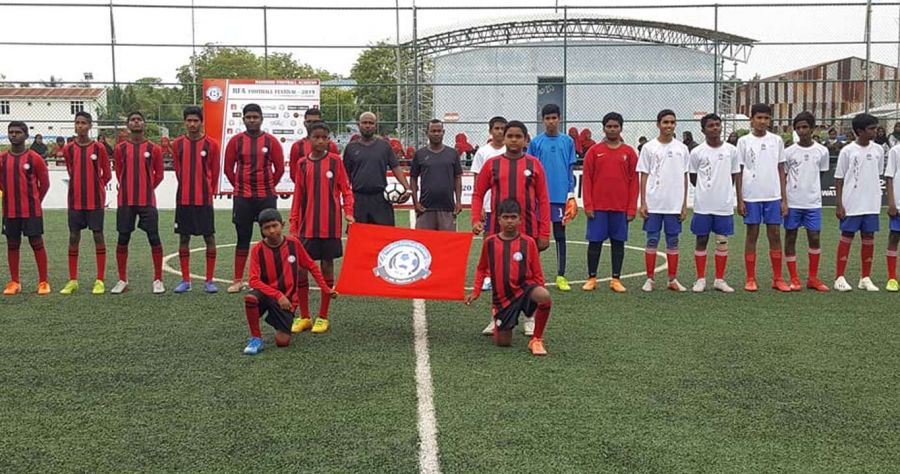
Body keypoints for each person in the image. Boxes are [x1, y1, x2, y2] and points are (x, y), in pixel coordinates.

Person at [471, 120, 551, 338]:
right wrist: (475, 219)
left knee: (529, 275)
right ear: (503, 138)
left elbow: (544, 199)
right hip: (497, 232)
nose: (514, 140)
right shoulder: (492, 164)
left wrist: (544, 232)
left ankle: (530, 318)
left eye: (518, 136)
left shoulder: (534, 164)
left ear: (526, 140)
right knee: (498, 275)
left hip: (528, 231)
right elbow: (478, 194)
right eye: (510, 136)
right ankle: (496, 314)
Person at [288, 122, 354, 334]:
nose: (320, 141)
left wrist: (348, 212)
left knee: (327, 266)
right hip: (307, 227)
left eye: (324, 137)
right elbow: (298, 196)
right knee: (301, 269)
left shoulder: (335, 162)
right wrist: (293, 223)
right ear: (308, 139)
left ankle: (323, 316)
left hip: (330, 226)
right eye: (316, 137)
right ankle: (305, 316)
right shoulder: (301, 164)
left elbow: (346, 190)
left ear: (328, 139)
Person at [242, 208, 336, 356]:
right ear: (261, 230)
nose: (272, 231)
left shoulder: (293, 244)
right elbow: (253, 280)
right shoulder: (257, 250)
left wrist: (326, 288)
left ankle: (279, 321)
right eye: (267, 228)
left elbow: (311, 265)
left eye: (275, 226)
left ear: (282, 225)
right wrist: (277, 295)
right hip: (269, 295)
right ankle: (256, 338)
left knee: (282, 342)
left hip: (288, 301)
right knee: (251, 298)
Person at [466, 199, 551, 357]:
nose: (509, 221)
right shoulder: (490, 242)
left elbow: (537, 272)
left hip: (524, 290)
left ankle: (537, 339)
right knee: (503, 343)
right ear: (498, 220)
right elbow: (481, 268)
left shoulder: (528, 242)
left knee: (544, 296)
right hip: (503, 299)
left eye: (513, 217)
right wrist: (476, 292)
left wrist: (541, 286)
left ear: (520, 219)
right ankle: (499, 318)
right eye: (505, 217)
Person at [223, 103, 285, 294]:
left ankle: (271, 279)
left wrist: (267, 187)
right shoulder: (236, 141)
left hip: (266, 197)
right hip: (243, 197)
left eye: (255, 117)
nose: (252, 120)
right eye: (248, 117)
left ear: (261, 119)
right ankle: (237, 280)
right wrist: (240, 188)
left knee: (271, 237)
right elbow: (228, 168)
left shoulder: (271, 141)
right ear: (243, 119)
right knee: (243, 237)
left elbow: (279, 168)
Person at [581, 112, 638, 293]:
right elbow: (587, 180)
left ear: (621, 128)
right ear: (603, 127)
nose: (612, 129)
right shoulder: (594, 151)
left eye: (615, 126)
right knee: (595, 243)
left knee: (618, 243)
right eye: (609, 126)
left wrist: (631, 208)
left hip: (620, 208)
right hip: (598, 207)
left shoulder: (629, 152)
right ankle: (591, 277)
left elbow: (634, 182)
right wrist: (588, 205)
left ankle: (615, 279)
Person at [735, 103, 790, 292]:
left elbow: (781, 170)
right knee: (752, 234)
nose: (762, 121)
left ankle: (777, 278)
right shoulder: (743, 142)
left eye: (766, 118)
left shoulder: (777, 141)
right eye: (759, 117)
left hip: (773, 196)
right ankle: (750, 278)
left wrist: (784, 199)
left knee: (775, 234)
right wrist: (740, 199)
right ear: (751, 119)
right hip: (751, 196)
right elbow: (739, 171)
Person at [112, 111, 165, 294]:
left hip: (147, 200)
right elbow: (119, 172)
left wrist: (147, 187)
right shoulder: (120, 148)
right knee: (123, 238)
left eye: (139, 120)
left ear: (144, 124)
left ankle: (158, 279)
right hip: (125, 201)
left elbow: (159, 175)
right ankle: (122, 279)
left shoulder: (154, 148)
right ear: (128, 125)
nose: (136, 122)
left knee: (154, 238)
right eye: (132, 120)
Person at [637, 109, 690, 292]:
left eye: (672, 122)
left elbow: (684, 178)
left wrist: (684, 204)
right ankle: (650, 279)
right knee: (652, 240)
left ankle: (672, 280)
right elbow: (643, 175)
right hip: (654, 203)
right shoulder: (649, 148)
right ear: (658, 124)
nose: (669, 125)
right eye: (665, 122)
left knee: (673, 241)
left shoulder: (682, 148)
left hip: (673, 205)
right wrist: (643, 202)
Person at [60, 112, 111, 295]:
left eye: (83, 123)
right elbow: (70, 170)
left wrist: (96, 187)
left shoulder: (99, 148)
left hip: (95, 201)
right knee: (74, 236)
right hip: (75, 201)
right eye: (77, 123)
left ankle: (100, 280)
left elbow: (107, 175)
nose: (80, 126)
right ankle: (73, 280)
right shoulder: (68, 149)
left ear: (90, 126)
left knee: (98, 235)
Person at [527, 104, 578, 291]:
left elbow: (570, 169)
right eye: (547, 118)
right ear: (543, 120)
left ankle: (561, 275)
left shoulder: (567, 141)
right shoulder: (536, 143)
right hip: (539, 198)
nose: (551, 121)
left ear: (559, 118)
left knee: (560, 235)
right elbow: (530, 170)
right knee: (535, 237)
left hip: (559, 197)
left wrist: (571, 195)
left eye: (554, 118)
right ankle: (531, 274)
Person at [172, 106, 221, 294]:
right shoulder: (177, 144)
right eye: (189, 120)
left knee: (209, 237)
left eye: (196, 121)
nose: (192, 124)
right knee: (184, 237)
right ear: (185, 122)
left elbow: (214, 172)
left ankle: (209, 280)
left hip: (204, 200)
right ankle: (186, 280)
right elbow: (178, 170)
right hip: (183, 199)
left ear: (201, 122)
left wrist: (208, 191)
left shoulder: (211, 145)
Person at [688, 113, 740, 293]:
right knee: (701, 239)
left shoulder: (731, 151)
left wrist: (723, 191)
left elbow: (734, 175)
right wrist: (707, 191)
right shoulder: (696, 152)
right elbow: (693, 178)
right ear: (703, 130)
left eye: (718, 125)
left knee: (722, 241)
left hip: (723, 204)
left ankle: (719, 279)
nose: (715, 128)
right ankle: (700, 279)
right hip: (703, 204)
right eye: (711, 125)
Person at [833, 113, 884, 292]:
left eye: (875, 128)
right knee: (847, 236)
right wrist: (839, 204)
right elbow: (838, 178)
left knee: (869, 237)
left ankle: (865, 278)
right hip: (851, 203)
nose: (875, 131)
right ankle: (839, 277)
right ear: (860, 131)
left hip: (871, 203)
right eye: (871, 128)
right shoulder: (848, 151)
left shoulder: (878, 150)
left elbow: (878, 174)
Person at [0, 121, 50, 295]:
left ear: (26, 136)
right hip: (10, 211)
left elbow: (44, 184)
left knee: (37, 243)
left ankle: (43, 281)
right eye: (11, 132)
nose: (14, 135)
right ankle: (15, 282)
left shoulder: (34, 158)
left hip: (31, 210)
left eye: (18, 132)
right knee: (12, 244)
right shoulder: (2, 159)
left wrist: (35, 200)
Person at [783, 111, 830, 292]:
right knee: (790, 237)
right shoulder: (789, 152)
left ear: (812, 128)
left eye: (805, 127)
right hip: (793, 202)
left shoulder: (822, 151)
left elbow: (822, 173)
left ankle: (812, 278)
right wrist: (785, 201)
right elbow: (784, 176)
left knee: (814, 237)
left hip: (813, 203)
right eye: (798, 128)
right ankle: (794, 278)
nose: (802, 131)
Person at [342, 112, 411, 226]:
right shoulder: (351, 148)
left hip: (381, 198)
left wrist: (407, 188)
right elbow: (345, 175)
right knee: (359, 237)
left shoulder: (384, 146)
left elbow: (396, 167)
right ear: (359, 125)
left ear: (376, 125)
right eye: (364, 123)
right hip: (358, 199)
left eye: (371, 123)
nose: (367, 126)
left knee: (384, 237)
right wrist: (345, 197)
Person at [470, 116, 507, 298]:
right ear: (490, 131)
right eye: (497, 128)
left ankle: (505, 274)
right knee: (489, 241)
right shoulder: (483, 152)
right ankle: (487, 275)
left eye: (502, 128)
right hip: (489, 206)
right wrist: (481, 208)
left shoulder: (511, 150)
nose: (500, 132)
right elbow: (478, 182)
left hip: (508, 207)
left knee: (509, 240)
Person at [410, 119, 463, 231]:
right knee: (424, 244)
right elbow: (413, 178)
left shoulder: (452, 153)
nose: (436, 134)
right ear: (427, 133)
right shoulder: (420, 154)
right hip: (425, 208)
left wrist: (458, 201)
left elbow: (457, 178)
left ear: (443, 132)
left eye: (439, 131)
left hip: (448, 208)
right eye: (433, 131)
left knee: (447, 245)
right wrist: (415, 202)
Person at [288, 108, 339, 183]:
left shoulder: (330, 146)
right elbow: (293, 174)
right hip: (306, 192)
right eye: (309, 121)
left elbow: (338, 172)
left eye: (315, 122)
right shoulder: (297, 146)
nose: (311, 124)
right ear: (304, 123)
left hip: (328, 191)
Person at [885, 130, 900, 292]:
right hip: (898, 204)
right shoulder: (896, 151)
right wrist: (891, 203)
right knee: (894, 237)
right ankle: (892, 278)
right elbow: (889, 177)